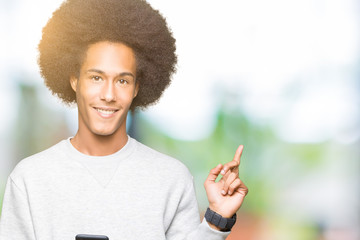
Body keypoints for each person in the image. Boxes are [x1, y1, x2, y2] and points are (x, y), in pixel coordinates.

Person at [0, 0, 248, 239]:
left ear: (137, 88)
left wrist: (216, 222)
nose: (108, 95)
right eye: (96, 78)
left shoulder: (171, 179)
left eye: (122, 81)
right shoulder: (29, 179)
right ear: (74, 80)